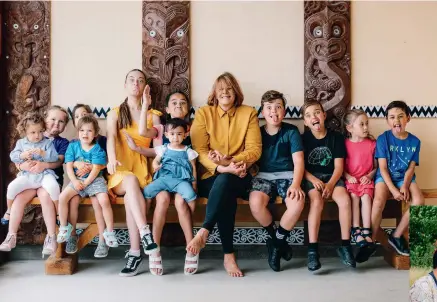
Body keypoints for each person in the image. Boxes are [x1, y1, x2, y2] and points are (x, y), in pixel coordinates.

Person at [187, 72, 262, 277]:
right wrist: (220, 167)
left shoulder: (249, 113)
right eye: (220, 89)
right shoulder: (204, 114)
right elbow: (199, 150)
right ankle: (228, 255)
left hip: (240, 174)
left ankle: (204, 231)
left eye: (229, 88)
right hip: (209, 176)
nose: (225, 92)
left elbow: (255, 150)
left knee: (227, 182)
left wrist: (229, 162)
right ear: (215, 93)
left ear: (236, 92)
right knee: (224, 188)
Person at [106, 69, 162, 277]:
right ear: (125, 84)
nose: (135, 84)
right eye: (131, 80)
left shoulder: (153, 116)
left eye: (140, 81)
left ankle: (135, 252)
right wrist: (111, 159)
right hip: (120, 168)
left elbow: (158, 148)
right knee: (128, 181)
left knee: (132, 196)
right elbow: (111, 137)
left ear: (145, 86)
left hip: (144, 169)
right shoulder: (115, 113)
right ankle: (145, 233)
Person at [0, 105, 70, 257]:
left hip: (48, 177)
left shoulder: (60, 143)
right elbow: (16, 157)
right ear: (45, 120)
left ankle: (52, 236)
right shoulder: (25, 141)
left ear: (65, 125)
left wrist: (43, 163)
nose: (56, 124)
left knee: (45, 196)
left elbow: (58, 161)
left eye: (61, 121)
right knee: (18, 198)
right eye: (52, 119)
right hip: (30, 177)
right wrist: (22, 163)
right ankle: (10, 235)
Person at [248, 90, 305, 272]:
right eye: (269, 108)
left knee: (297, 203)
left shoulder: (291, 131)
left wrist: (296, 183)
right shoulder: (256, 132)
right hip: (263, 176)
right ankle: (277, 240)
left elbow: (298, 161)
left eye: (278, 107)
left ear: (285, 111)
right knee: (255, 203)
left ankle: (276, 243)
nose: (274, 111)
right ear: (262, 112)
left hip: (288, 175)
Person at [301, 101, 355, 271]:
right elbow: (299, 167)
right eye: (308, 115)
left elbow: (339, 167)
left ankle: (345, 245)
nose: (314, 117)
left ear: (324, 116)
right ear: (305, 122)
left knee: (345, 201)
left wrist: (331, 184)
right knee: (317, 202)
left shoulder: (336, 138)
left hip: (332, 177)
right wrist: (314, 180)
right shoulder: (303, 139)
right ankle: (313, 251)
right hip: (311, 177)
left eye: (317, 113)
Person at [148, 91, 196, 276]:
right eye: (174, 103)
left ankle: (191, 247)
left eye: (182, 103)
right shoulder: (162, 131)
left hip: (183, 180)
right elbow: (154, 154)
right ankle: (155, 249)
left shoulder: (194, 130)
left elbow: (193, 163)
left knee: (180, 202)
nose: (178, 106)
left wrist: (193, 183)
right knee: (161, 200)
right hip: (164, 178)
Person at [370, 100, 424, 258]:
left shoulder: (415, 141)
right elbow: (383, 168)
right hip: (384, 176)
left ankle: (396, 235)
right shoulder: (383, 139)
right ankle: (371, 240)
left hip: (404, 177)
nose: (396, 121)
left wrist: (405, 186)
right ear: (387, 121)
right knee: (379, 200)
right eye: (392, 117)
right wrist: (393, 190)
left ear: (408, 118)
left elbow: (411, 168)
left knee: (419, 201)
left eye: (400, 116)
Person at [56, 115, 118, 250]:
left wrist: (86, 183)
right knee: (62, 197)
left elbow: (96, 170)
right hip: (77, 180)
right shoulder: (73, 146)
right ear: (78, 132)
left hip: (95, 180)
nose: (85, 133)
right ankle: (64, 227)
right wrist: (74, 181)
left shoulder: (97, 149)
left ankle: (110, 232)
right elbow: (68, 166)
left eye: (89, 131)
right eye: (82, 130)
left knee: (104, 201)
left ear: (95, 134)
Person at [2, 113, 59, 227]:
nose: (37, 135)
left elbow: (55, 158)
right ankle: (8, 210)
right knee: (11, 187)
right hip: (27, 175)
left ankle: (58, 213)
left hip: (44, 174)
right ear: (25, 132)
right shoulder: (21, 143)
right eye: (33, 132)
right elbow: (13, 156)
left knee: (54, 187)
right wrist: (23, 155)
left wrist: (43, 153)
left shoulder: (47, 143)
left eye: (40, 131)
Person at [69, 104, 111, 258]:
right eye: (77, 116)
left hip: (96, 180)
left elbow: (106, 161)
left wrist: (92, 167)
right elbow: (68, 161)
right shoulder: (74, 143)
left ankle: (102, 240)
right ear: (75, 122)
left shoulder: (101, 140)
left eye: (84, 114)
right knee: (72, 201)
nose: (81, 118)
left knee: (97, 203)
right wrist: (76, 164)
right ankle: (72, 236)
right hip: (78, 181)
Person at [342, 109, 376, 262]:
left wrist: (369, 176)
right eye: (361, 124)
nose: (365, 127)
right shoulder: (345, 144)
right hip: (351, 180)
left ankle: (367, 231)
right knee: (354, 197)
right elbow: (340, 168)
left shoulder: (372, 144)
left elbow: (376, 167)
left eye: (366, 124)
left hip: (366, 180)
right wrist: (348, 176)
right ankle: (356, 230)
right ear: (350, 128)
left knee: (366, 198)